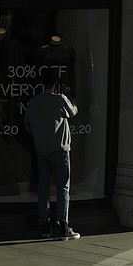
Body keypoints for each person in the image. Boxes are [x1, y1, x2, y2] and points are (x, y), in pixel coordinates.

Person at [24, 67, 80, 240]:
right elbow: (73, 111)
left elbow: (27, 125)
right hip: (60, 149)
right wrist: (70, 97)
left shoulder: (34, 102)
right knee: (63, 187)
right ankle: (63, 226)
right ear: (56, 83)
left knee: (44, 188)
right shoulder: (60, 99)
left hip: (42, 150)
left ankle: (45, 224)